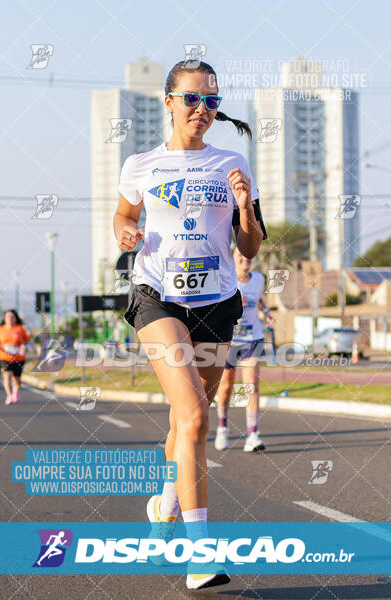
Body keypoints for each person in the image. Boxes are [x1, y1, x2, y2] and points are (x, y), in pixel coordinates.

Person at [114, 60, 267, 590]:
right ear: (169, 101)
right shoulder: (141, 165)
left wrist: (245, 208)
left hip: (218, 302)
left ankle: (164, 506)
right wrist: (126, 236)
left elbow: (248, 246)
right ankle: (200, 555)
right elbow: (123, 216)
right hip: (158, 299)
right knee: (196, 418)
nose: (203, 109)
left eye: (212, 101)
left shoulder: (232, 161)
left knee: (187, 421)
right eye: (192, 99)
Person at [215, 247, 274, 452]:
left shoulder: (258, 279)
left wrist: (267, 313)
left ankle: (253, 434)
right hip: (229, 338)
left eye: (247, 254)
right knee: (225, 387)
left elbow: (259, 300)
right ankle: (222, 427)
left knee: (251, 386)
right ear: (232, 259)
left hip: (253, 337)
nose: (244, 257)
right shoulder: (225, 278)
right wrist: (231, 305)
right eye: (239, 254)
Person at [0, 310, 30, 405]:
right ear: (4, 318)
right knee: (6, 375)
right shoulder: (0, 329)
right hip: (4, 357)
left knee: (17, 379)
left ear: (15, 318)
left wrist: (24, 346)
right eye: (8, 316)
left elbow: (27, 340)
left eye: (12, 316)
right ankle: (9, 395)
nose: (10, 318)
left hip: (18, 358)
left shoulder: (20, 329)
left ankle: (16, 391)